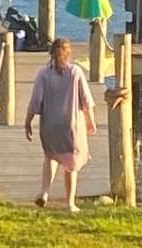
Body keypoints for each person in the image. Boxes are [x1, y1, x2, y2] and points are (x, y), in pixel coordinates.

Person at [25, 36, 97, 212]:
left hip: (49, 124)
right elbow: (86, 100)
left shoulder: (43, 74)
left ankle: (44, 192)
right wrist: (91, 121)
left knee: (51, 156)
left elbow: (35, 101)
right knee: (71, 164)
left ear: (51, 54)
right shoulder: (75, 72)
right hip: (71, 124)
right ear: (69, 54)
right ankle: (70, 203)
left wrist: (28, 120)